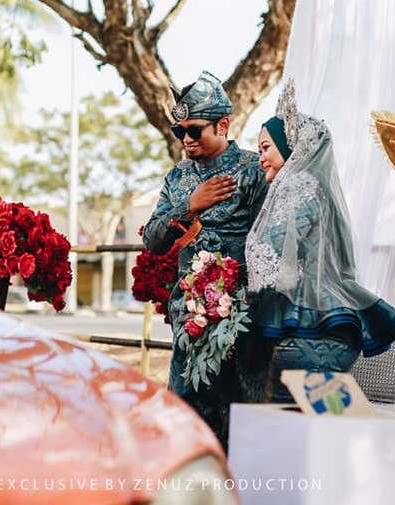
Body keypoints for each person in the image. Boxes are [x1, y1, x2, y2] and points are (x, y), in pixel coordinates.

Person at [245, 79, 395, 402]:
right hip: (324, 328)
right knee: (318, 419)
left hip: (313, 329)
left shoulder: (299, 185)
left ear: (290, 146)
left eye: (265, 148)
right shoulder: (310, 185)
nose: (260, 157)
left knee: (310, 419)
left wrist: (224, 282)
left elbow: (271, 252)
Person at [142, 71, 270, 448]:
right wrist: (190, 205)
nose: (186, 139)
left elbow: (267, 244)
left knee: (241, 418)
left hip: (241, 317)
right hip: (191, 318)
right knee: (185, 416)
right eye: (179, 131)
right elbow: (153, 240)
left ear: (223, 125)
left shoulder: (252, 170)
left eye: (194, 130)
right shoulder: (178, 177)